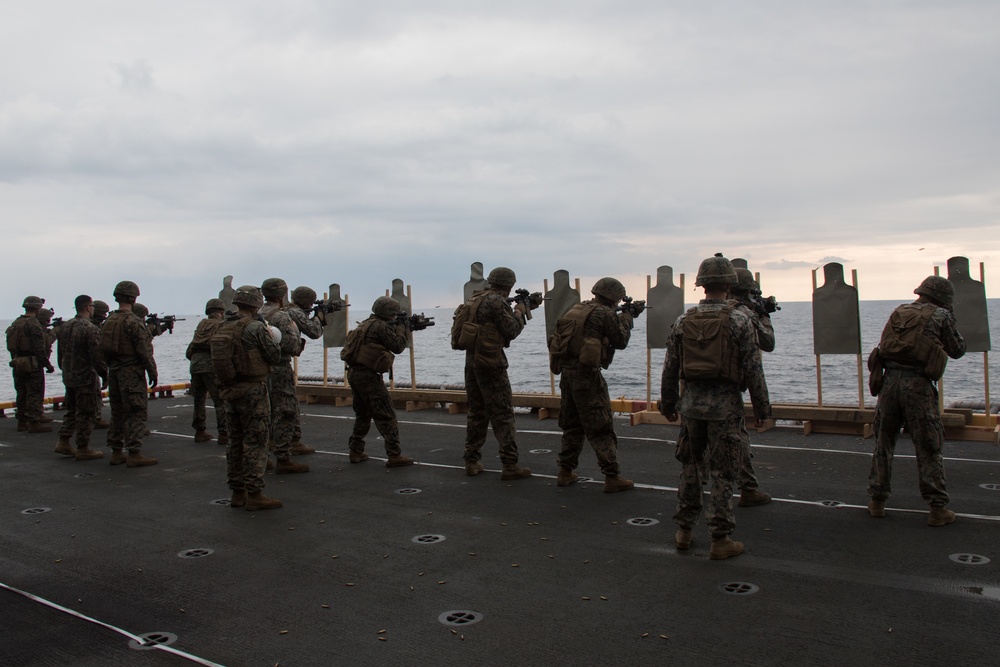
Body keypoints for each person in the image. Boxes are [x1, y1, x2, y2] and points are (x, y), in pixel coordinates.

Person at [660, 255, 770, 560]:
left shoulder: (684, 320)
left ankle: (684, 531)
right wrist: (762, 408)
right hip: (725, 408)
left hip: (691, 406)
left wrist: (667, 404)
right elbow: (753, 368)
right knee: (724, 471)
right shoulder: (740, 319)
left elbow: (670, 368)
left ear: (701, 284)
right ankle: (720, 539)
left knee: (691, 468)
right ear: (729, 283)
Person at [867, 275, 966, 526]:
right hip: (918, 387)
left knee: (883, 443)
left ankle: (877, 501)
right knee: (928, 445)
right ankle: (937, 508)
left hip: (889, 385)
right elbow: (957, 350)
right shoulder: (941, 316)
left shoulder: (899, 311)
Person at [552, 278, 639, 493]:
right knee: (600, 426)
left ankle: (565, 471)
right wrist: (628, 317)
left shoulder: (577, 309)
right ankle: (612, 476)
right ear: (614, 297)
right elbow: (620, 340)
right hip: (587, 378)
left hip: (568, 376)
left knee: (573, 426)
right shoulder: (603, 313)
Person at [459, 267, 538, 480]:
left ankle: (471, 461)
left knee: (477, 413)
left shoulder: (475, 299)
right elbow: (511, 329)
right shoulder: (496, 301)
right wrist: (520, 312)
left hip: (472, 363)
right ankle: (510, 465)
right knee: (503, 414)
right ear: (508, 285)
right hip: (491, 364)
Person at [217, 285, 283, 510]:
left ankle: (237, 492)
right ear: (256, 305)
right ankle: (255, 492)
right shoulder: (255, 327)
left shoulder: (222, 326)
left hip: (230, 389)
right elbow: (274, 356)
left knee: (235, 440)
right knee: (256, 440)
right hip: (253, 390)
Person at [342, 296, 414, 467]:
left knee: (363, 414)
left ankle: (356, 450)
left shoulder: (364, 324)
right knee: (386, 414)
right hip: (368, 376)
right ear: (390, 313)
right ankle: (394, 455)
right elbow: (397, 346)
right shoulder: (380, 327)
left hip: (354, 373)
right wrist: (402, 328)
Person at [728, 268, 776, 507]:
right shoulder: (745, 315)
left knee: (695, 450)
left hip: (692, 394)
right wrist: (764, 314)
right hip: (726, 396)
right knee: (736, 443)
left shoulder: (696, 314)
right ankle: (747, 490)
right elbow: (766, 345)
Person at [101, 280, 158, 467]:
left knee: (117, 412)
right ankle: (134, 452)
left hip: (114, 371)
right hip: (131, 373)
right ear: (134, 298)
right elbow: (144, 350)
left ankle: (116, 451)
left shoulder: (108, 320)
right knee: (136, 411)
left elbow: (101, 349)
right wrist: (152, 371)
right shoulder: (133, 321)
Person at [259, 278, 310, 472]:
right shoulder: (281, 317)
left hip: (261, 371)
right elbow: (290, 344)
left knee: (266, 411)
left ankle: (266, 454)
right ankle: (284, 457)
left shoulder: (258, 313)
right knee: (286, 411)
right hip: (279, 368)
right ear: (282, 295)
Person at [55, 295, 108, 460]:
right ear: (87, 307)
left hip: (69, 375)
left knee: (72, 410)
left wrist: (64, 369)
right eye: (92, 306)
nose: (93, 309)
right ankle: (83, 447)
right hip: (85, 376)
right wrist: (104, 374)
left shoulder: (65, 326)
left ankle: (64, 440)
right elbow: (96, 355)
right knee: (87, 412)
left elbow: (60, 354)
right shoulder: (90, 328)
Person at [282, 285, 328, 456]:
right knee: (289, 405)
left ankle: (275, 440)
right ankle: (292, 442)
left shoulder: (280, 310)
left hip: (267, 363)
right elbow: (314, 332)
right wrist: (319, 317)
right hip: (280, 364)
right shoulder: (295, 312)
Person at [6, 295, 54, 433]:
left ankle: (21, 421)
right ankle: (34, 422)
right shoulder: (33, 324)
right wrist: (47, 365)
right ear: (38, 308)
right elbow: (39, 348)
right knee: (34, 392)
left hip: (17, 361)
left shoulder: (16, 322)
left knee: (21, 392)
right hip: (32, 362)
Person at [186, 298, 228, 444]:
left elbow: (189, 351)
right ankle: (223, 433)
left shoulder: (201, 324)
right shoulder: (221, 325)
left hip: (195, 365)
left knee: (199, 400)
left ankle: (200, 430)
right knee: (220, 400)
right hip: (210, 364)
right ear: (221, 311)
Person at [91, 300, 111, 430]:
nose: (105, 316)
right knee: (93, 393)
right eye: (103, 313)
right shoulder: (93, 329)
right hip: (90, 366)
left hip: (74, 367)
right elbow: (97, 351)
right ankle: (96, 418)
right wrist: (104, 373)